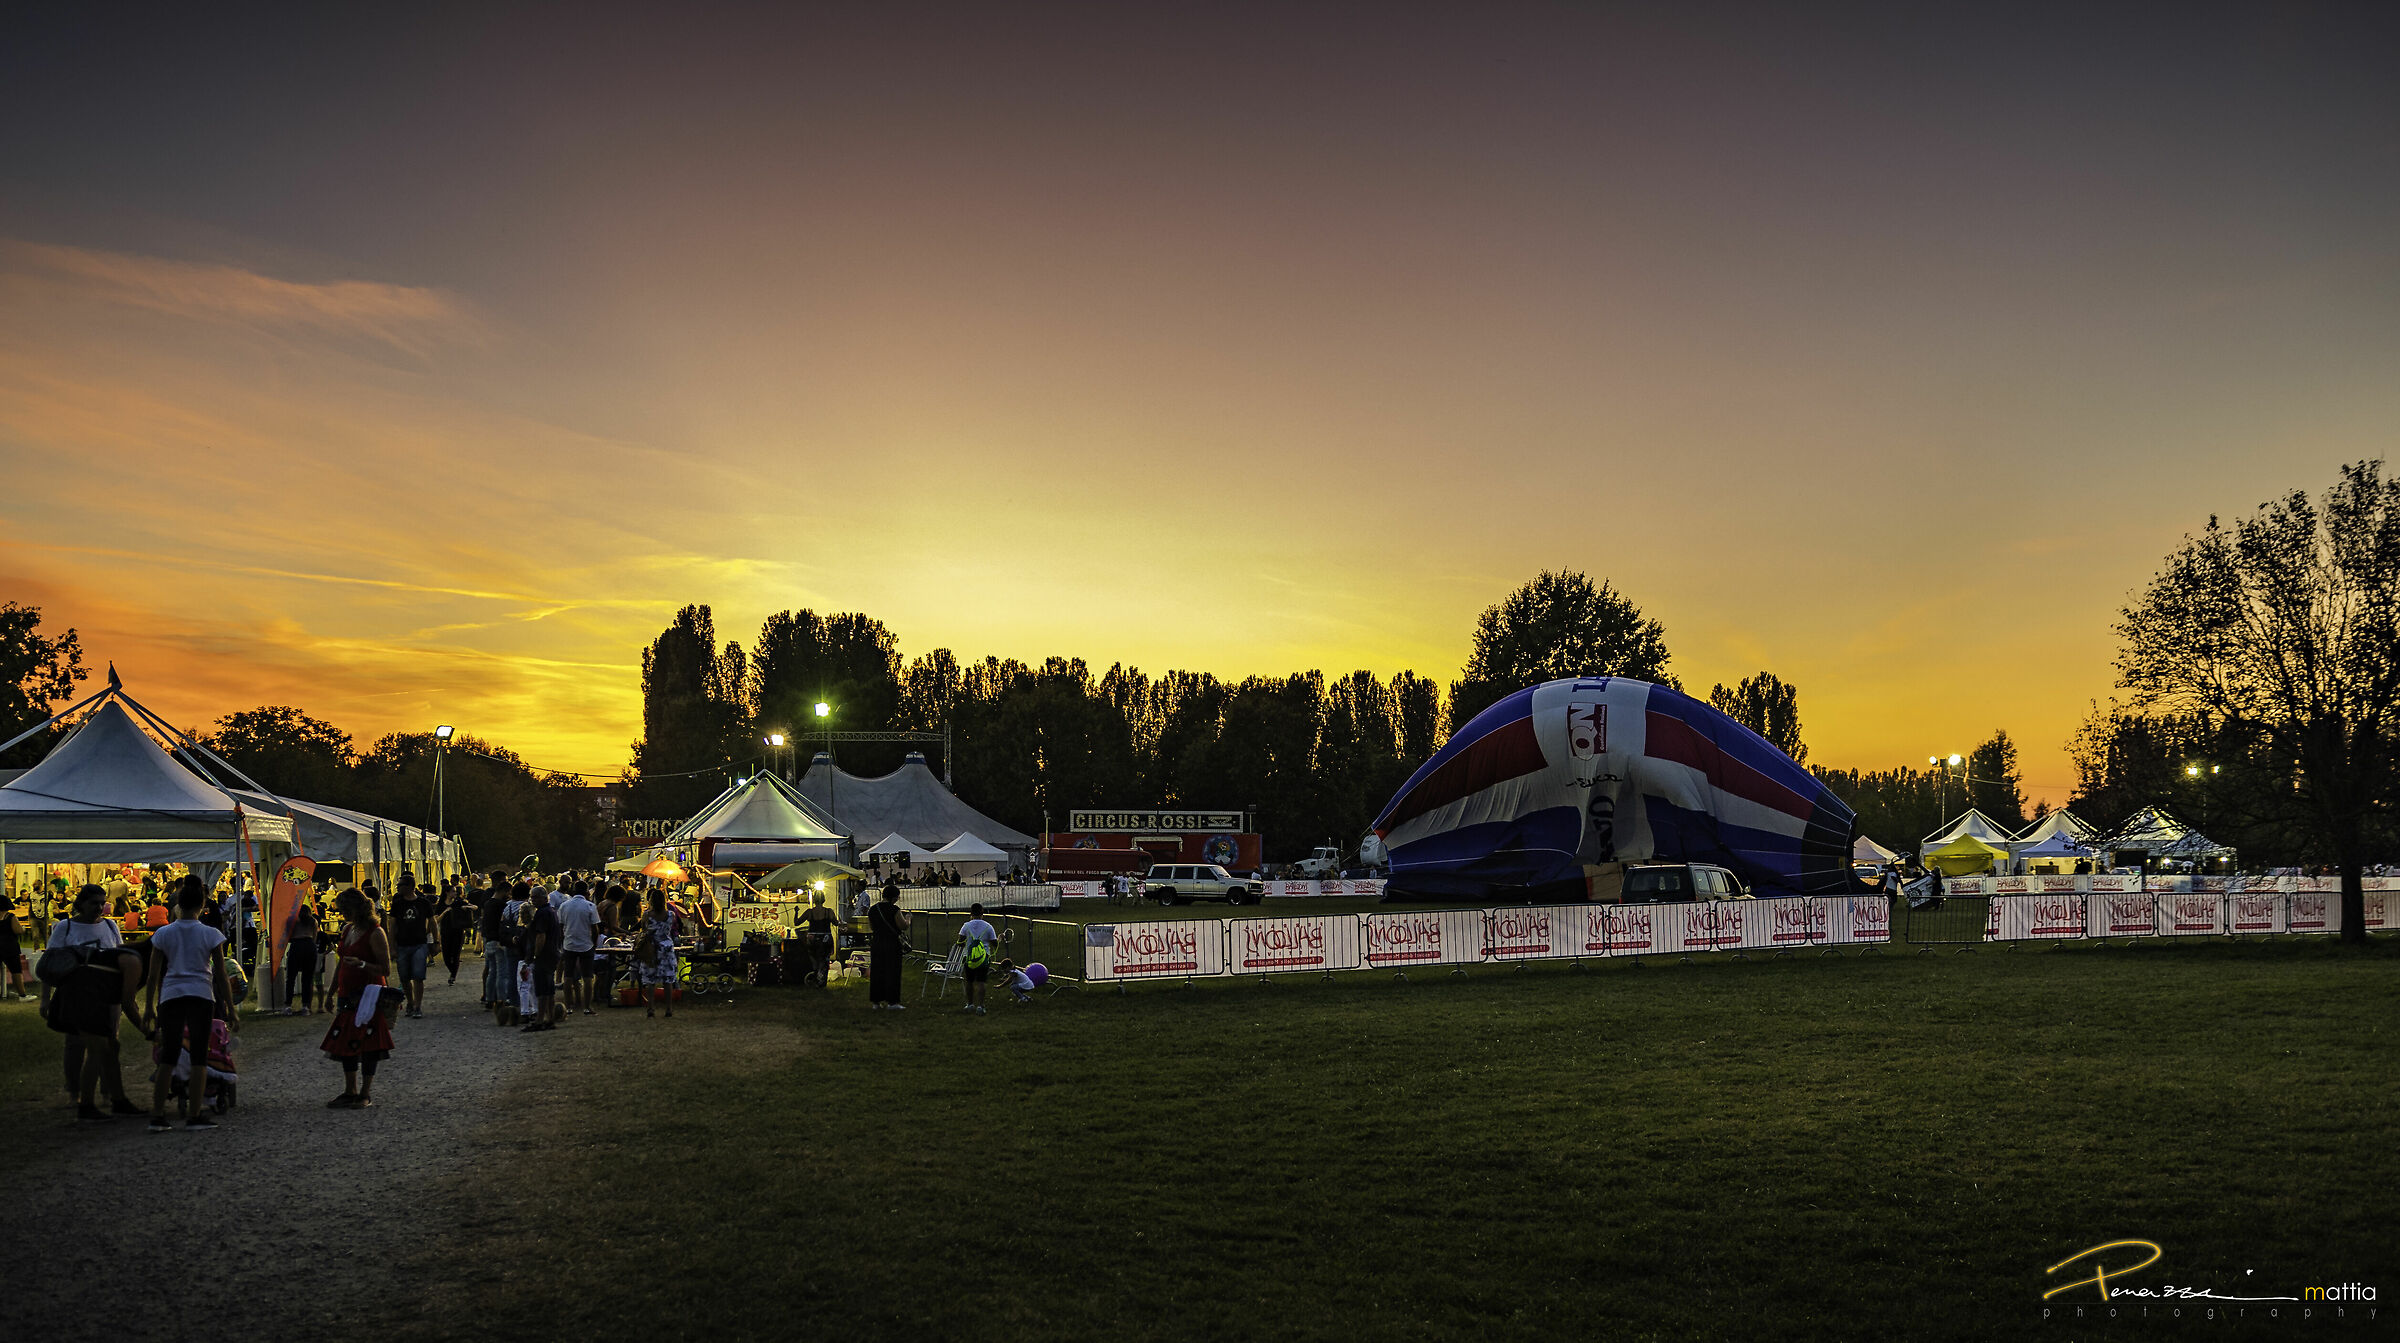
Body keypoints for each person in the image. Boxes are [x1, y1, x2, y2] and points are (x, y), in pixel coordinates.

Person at [143, 877, 234, 1132]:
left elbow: (153, 975)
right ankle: (194, 1115)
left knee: (168, 1056)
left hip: (171, 995)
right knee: (198, 1058)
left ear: (178, 905)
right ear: (202, 906)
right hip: (200, 995)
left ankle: (157, 1116)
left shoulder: (162, 934)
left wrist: (149, 1006)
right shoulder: (211, 934)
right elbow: (221, 974)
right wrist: (231, 1008)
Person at [42, 886, 125, 1100]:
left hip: (107, 993)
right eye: (94, 903)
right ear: (81, 903)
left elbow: (121, 958)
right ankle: (74, 1090)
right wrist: (45, 999)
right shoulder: (66, 927)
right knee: (75, 1043)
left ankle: (107, 1089)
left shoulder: (110, 926)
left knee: (109, 1042)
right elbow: (51, 963)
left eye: (102, 903)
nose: (99, 907)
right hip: (76, 995)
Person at [320, 888, 394, 1108]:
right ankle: (350, 1090)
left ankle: (365, 1093)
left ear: (357, 908)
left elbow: (386, 969)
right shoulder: (347, 929)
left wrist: (362, 964)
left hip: (369, 995)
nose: (342, 913)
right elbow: (341, 963)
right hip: (347, 993)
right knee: (346, 1042)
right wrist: (331, 992)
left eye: (345, 909)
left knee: (369, 1044)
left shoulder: (375, 933)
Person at [388, 878, 434, 1018]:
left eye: (400, 885)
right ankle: (410, 1001)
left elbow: (432, 921)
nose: (397, 887)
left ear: (409, 886)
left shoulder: (423, 903)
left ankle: (417, 1006)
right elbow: (392, 926)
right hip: (402, 944)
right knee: (404, 977)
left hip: (419, 943)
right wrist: (391, 946)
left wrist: (436, 940)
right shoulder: (397, 904)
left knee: (418, 977)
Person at [557, 880, 599, 1016]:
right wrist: (594, 943)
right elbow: (595, 928)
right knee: (587, 977)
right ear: (587, 892)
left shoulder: (564, 906)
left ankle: (569, 1006)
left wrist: (562, 942)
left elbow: (560, 926)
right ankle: (587, 1006)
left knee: (568, 976)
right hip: (586, 944)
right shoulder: (590, 906)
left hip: (569, 944)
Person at [522, 887, 561, 1032]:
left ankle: (539, 1020)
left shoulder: (542, 913)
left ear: (543, 897)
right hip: (552, 953)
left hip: (544, 956)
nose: (532, 900)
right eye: (531, 897)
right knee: (549, 989)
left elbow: (541, 936)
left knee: (542, 990)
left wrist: (535, 955)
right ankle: (550, 1019)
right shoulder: (551, 911)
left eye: (535, 897)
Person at [637, 890, 679, 1019]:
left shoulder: (647, 915)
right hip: (666, 948)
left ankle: (651, 1007)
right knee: (668, 980)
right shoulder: (671, 914)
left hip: (652, 948)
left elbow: (644, 929)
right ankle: (669, 1008)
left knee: (651, 980)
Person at [868, 882, 908, 1010]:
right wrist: (908, 919)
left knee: (877, 972)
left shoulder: (873, 909)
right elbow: (902, 926)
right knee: (892, 972)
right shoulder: (894, 910)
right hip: (891, 943)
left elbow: (872, 927)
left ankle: (876, 1001)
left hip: (877, 942)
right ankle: (892, 1001)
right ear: (894, 897)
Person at [957, 903, 999, 1016]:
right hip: (983, 958)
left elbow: (960, 942)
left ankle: (970, 1004)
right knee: (981, 981)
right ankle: (980, 1006)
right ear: (982, 913)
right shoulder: (988, 926)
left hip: (969, 957)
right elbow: (995, 943)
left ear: (971, 913)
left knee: (969, 981)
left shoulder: (966, 926)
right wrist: (999, 939)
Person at [479, 879, 514, 1012]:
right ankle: (501, 1000)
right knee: (502, 973)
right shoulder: (501, 905)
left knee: (492, 971)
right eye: (509, 893)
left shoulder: (488, 903)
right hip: (499, 941)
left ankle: (489, 999)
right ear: (504, 891)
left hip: (489, 940)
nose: (509, 896)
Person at [284, 899, 323, 1014]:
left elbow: (287, 935)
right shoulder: (313, 921)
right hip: (310, 946)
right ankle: (305, 1006)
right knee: (307, 978)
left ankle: (288, 1005)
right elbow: (314, 937)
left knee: (291, 978)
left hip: (296, 945)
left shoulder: (292, 920)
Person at [797, 892, 837, 987]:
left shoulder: (809, 912)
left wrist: (796, 912)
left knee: (814, 959)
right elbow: (836, 923)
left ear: (814, 900)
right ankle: (821, 981)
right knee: (824, 960)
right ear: (824, 899)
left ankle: (814, 978)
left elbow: (796, 922)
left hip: (812, 939)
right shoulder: (829, 912)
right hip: (825, 938)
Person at [438, 887, 474, 985]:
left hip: (458, 932)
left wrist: (466, 907)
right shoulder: (441, 904)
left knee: (455, 955)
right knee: (446, 956)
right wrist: (445, 912)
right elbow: (437, 919)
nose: (455, 893)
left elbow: (475, 907)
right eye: (453, 891)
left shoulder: (459, 902)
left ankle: (453, 976)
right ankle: (452, 971)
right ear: (447, 892)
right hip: (445, 932)